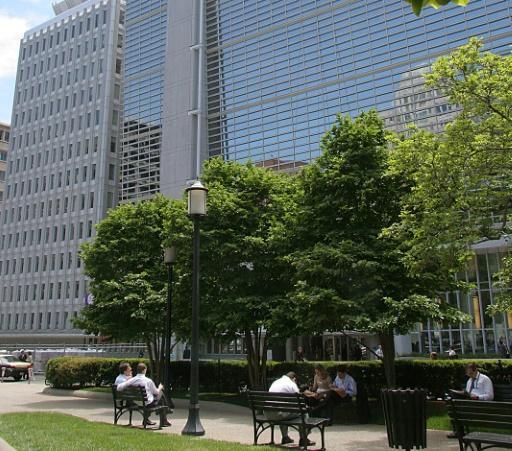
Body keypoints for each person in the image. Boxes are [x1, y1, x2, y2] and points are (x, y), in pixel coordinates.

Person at [267, 372, 315, 447]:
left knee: (284, 410)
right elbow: (299, 401)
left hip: (268, 414)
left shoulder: (276, 382)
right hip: (279, 414)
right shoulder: (292, 384)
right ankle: (303, 439)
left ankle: (285, 437)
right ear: (294, 379)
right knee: (304, 412)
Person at [117, 362, 171, 427]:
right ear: (144, 370)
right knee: (161, 393)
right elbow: (156, 392)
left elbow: (118, 388)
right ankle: (165, 415)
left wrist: (127, 381)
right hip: (147, 403)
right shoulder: (148, 381)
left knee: (157, 399)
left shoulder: (132, 380)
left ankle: (161, 416)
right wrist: (160, 387)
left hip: (136, 402)